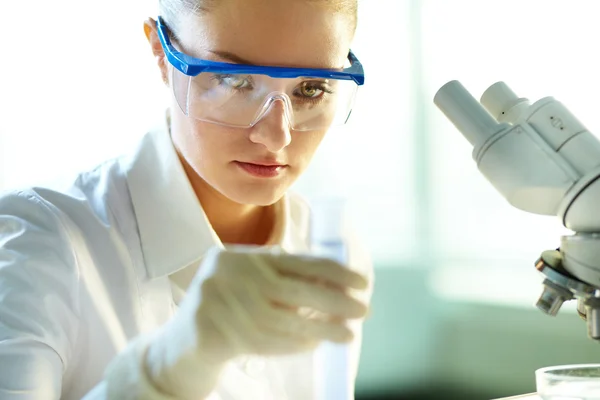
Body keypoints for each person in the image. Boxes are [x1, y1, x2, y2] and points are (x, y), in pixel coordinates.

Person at [0, 0, 374, 398]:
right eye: (235, 81)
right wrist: (169, 369)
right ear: (162, 56)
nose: (276, 136)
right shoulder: (37, 245)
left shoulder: (331, 247)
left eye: (310, 89)